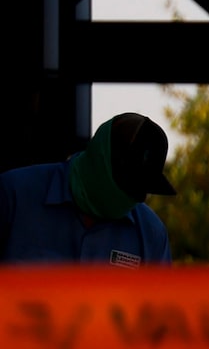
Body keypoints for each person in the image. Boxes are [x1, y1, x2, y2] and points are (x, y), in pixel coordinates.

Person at [0, 112, 174, 266]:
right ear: (101, 160)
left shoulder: (151, 234)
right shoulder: (13, 195)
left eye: (141, 187)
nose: (134, 195)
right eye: (129, 180)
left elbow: (160, 301)